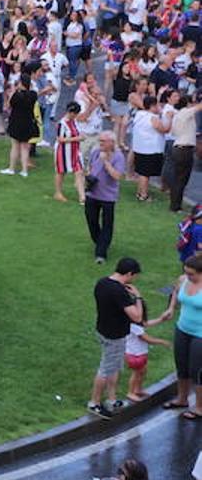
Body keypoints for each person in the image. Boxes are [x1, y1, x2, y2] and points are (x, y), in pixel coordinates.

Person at [89, 256, 143, 418]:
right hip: (115, 335)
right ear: (129, 274)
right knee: (105, 369)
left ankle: (112, 400)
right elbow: (137, 317)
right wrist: (138, 298)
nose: (134, 280)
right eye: (134, 277)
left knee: (114, 366)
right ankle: (94, 403)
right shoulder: (119, 291)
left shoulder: (102, 282)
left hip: (103, 329)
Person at [164, 254, 202, 419]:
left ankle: (200, 406)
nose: (188, 276)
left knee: (197, 370)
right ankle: (182, 399)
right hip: (182, 328)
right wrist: (172, 308)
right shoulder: (183, 280)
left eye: (192, 274)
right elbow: (175, 292)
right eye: (186, 273)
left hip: (200, 334)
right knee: (182, 366)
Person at [85, 132, 127, 264]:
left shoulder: (118, 157)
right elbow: (90, 168)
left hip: (108, 196)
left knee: (107, 224)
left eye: (103, 141)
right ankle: (100, 242)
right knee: (91, 221)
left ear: (111, 142)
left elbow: (117, 176)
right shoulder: (96, 152)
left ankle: (101, 253)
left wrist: (106, 162)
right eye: (100, 141)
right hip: (92, 193)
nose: (100, 143)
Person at [0, 75, 38, 177]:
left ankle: (12, 168)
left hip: (16, 122)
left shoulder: (17, 95)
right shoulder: (33, 95)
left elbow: (8, 106)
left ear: (21, 83)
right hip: (28, 122)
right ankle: (24, 170)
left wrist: (12, 92)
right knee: (25, 147)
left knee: (15, 146)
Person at [53, 102, 87, 203]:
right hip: (63, 151)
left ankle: (82, 196)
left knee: (79, 172)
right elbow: (60, 139)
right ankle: (58, 193)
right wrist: (77, 138)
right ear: (71, 112)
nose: (76, 116)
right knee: (61, 172)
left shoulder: (74, 121)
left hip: (75, 151)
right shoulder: (62, 123)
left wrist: (80, 136)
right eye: (75, 113)